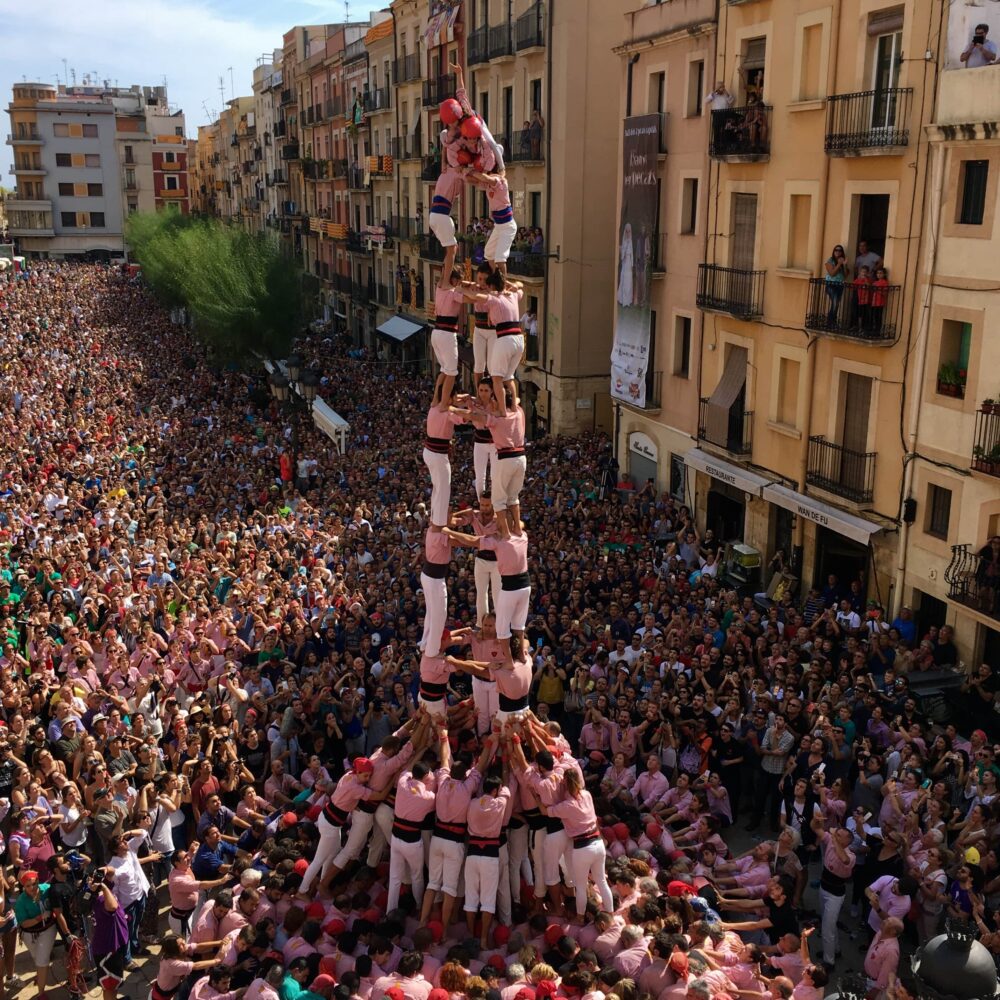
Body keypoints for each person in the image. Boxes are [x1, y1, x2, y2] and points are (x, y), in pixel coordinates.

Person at [823, 245, 849, 326]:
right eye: (836, 250)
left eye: (840, 250)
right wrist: (838, 264)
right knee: (835, 303)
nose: (838, 252)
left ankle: (832, 321)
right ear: (833, 252)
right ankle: (830, 322)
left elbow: (845, 276)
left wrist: (844, 265)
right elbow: (832, 273)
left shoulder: (842, 261)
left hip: (839, 285)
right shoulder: (830, 261)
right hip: (831, 285)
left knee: (836, 303)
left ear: (842, 252)